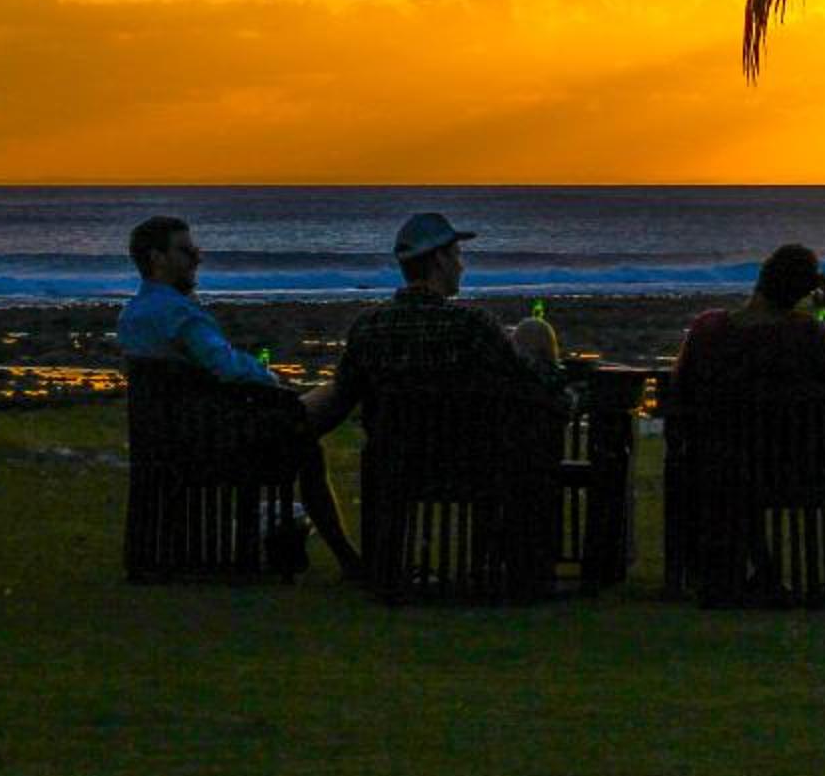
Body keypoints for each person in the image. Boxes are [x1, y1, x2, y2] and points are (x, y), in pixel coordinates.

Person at [117, 214, 362, 574]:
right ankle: (347, 557)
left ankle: (340, 554)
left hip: (166, 441)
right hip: (216, 441)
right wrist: (270, 379)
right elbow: (227, 367)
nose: (197, 257)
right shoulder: (181, 315)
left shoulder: (132, 316)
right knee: (338, 395)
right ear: (157, 258)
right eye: (186, 251)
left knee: (306, 431)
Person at [303, 212, 568, 439]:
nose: (461, 267)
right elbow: (534, 382)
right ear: (440, 259)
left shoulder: (368, 328)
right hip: (463, 469)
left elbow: (339, 399)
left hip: (390, 471)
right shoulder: (473, 326)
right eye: (457, 256)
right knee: (534, 330)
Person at [671, 243, 825, 394]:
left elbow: (680, 389)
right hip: (785, 439)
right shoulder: (807, 335)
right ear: (806, 290)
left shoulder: (706, 327)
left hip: (716, 438)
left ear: (761, 277)